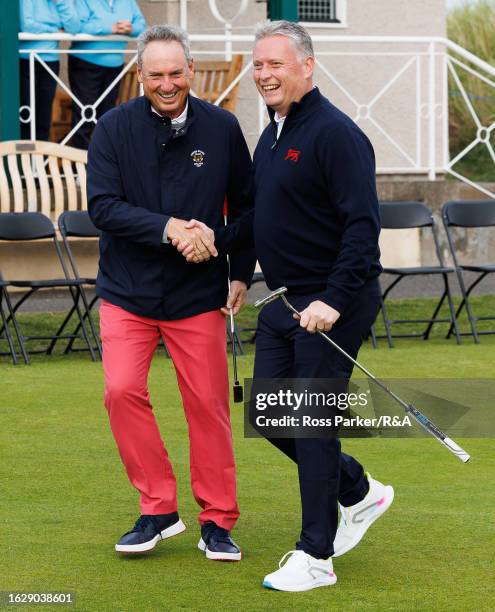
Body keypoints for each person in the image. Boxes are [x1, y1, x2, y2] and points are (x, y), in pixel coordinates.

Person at [86, 24, 255, 560]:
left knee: (208, 405)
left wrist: (240, 272)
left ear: (190, 70)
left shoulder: (224, 127)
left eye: (176, 73)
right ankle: (158, 509)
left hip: (197, 294)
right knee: (120, 391)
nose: (167, 83)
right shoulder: (111, 128)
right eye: (155, 75)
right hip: (127, 291)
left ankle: (217, 521)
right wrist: (169, 228)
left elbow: (247, 208)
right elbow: (103, 207)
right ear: (140, 76)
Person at [251, 21, 394, 592]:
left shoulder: (337, 134)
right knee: (269, 415)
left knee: (310, 421)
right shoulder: (272, 133)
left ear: (307, 66)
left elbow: (364, 229)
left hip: (336, 302)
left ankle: (316, 556)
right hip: (285, 304)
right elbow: (266, 218)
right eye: (258, 65)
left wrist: (333, 300)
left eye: (276, 64)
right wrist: (238, 274)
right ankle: (359, 491)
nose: (264, 74)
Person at [69, 0, 146, 148]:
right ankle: (80, 164)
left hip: (115, 64)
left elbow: (142, 26)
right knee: (85, 114)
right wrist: (110, 28)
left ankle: (104, 162)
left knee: (107, 116)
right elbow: (77, 26)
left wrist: (131, 28)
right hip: (86, 63)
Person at [19, 0, 80, 140]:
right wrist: (55, 31)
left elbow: (75, 27)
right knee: (26, 116)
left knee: (44, 117)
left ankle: (41, 160)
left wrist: (60, 2)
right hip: (26, 60)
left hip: (51, 62)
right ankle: (24, 159)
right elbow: (27, 25)